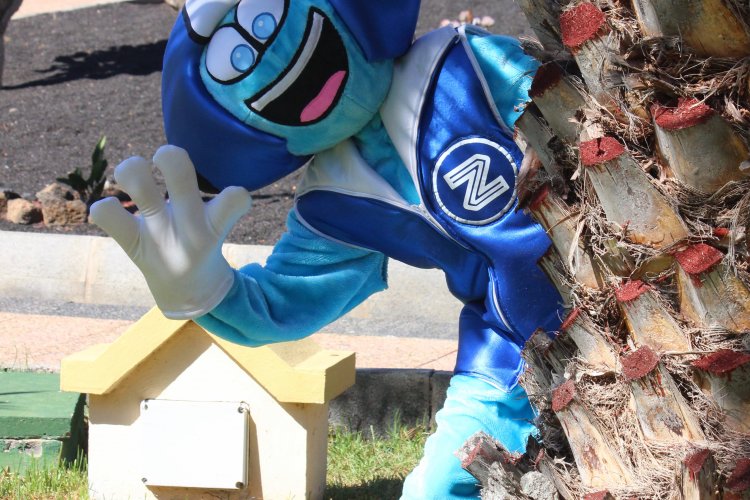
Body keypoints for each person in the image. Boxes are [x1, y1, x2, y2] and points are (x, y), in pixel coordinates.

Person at [91, 0, 565, 497]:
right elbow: (287, 298)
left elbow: (577, 112)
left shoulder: (464, 66)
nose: (266, 53)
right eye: (237, 61)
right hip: (510, 348)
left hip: (612, 263)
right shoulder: (336, 196)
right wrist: (203, 289)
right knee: (437, 489)